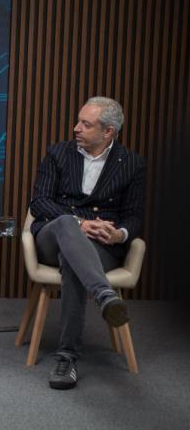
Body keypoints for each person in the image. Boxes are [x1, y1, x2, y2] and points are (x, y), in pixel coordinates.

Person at [29, 96, 145, 390]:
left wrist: (119, 235)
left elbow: (134, 216)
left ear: (109, 132)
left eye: (85, 124)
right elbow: (40, 202)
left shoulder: (131, 164)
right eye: (78, 121)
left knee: (74, 263)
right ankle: (105, 296)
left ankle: (66, 357)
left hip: (100, 246)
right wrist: (81, 223)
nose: (76, 128)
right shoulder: (58, 153)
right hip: (52, 237)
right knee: (69, 225)